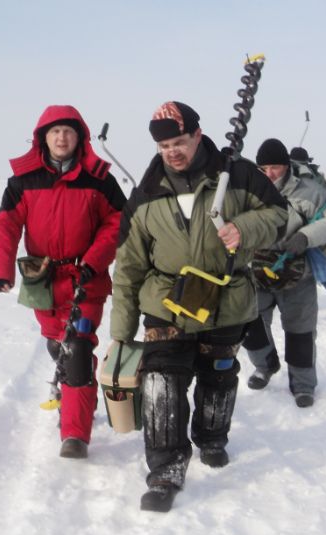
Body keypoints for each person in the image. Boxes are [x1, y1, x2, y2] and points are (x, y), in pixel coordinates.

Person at [109, 101, 288, 512]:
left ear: (197, 134)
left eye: (179, 142)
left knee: (218, 374)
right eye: (164, 146)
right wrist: (121, 333)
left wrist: (244, 228)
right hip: (166, 300)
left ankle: (211, 437)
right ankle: (165, 469)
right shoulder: (145, 194)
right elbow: (129, 267)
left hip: (226, 298)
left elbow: (279, 216)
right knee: (161, 382)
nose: (172, 152)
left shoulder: (238, 175)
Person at [0, 105, 126, 459]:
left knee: (77, 347)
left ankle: (74, 433)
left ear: (79, 137)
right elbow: (5, 225)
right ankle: (77, 387)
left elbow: (118, 223)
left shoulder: (98, 179)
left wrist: (93, 261)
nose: (62, 138)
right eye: (55, 132)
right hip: (43, 280)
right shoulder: (23, 181)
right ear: (42, 138)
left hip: (86, 278)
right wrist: (0, 271)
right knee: (57, 344)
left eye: (68, 131)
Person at [243, 138, 326, 408]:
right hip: (257, 271)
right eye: (263, 168)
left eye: (274, 167)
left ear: (286, 166)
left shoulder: (310, 191)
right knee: (248, 324)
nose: (269, 174)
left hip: (297, 274)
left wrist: (305, 237)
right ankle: (265, 365)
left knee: (300, 332)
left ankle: (303, 385)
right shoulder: (248, 191)